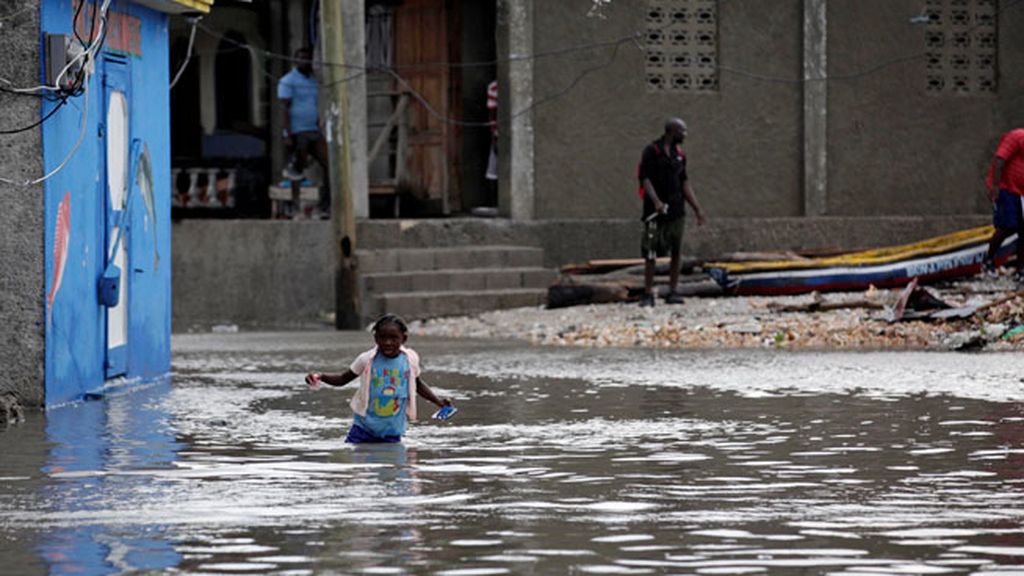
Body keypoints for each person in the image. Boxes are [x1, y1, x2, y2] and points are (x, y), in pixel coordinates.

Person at [304, 314, 454, 443]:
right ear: (375, 338)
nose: (388, 342)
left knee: (394, 468)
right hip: (363, 428)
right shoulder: (366, 359)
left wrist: (438, 402)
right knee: (361, 467)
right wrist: (321, 377)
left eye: (393, 338)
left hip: (392, 430)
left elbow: (418, 385)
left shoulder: (410, 360)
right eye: (383, 338)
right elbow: (343, 379)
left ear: (404, 338)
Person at [637, 118, 707, 307]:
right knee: (650, 251)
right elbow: (644, 178)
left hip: (676, 211)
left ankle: (673, 291)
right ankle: (648, 293)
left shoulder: (680, 155)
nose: (685, 134)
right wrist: (656, 201)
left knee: (676, 251)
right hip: (653, 212)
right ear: (671, 131)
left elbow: (684, 182)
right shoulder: (652, 151)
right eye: (682, 131)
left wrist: (697, 209)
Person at [278, 47, 329, 216]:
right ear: (295, 61)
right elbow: (284, 108)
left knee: (328, 163)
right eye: (301, 58)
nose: (304, 61)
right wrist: (287, 133)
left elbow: (316, 103)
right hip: (297, 131)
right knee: (297, 169)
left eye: (307, 59)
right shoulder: (287, 80)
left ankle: (324, 204)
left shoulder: (313, 81)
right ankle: (293, 204)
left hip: (313, 129)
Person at [983, 128, 1024, 282]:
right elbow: (1000, 158)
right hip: (1006, 187)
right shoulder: (1017, 136)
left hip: (1021, 191)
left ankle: (1020, 270)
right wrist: (995, 186)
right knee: (1008, 225)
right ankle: (988, 260)